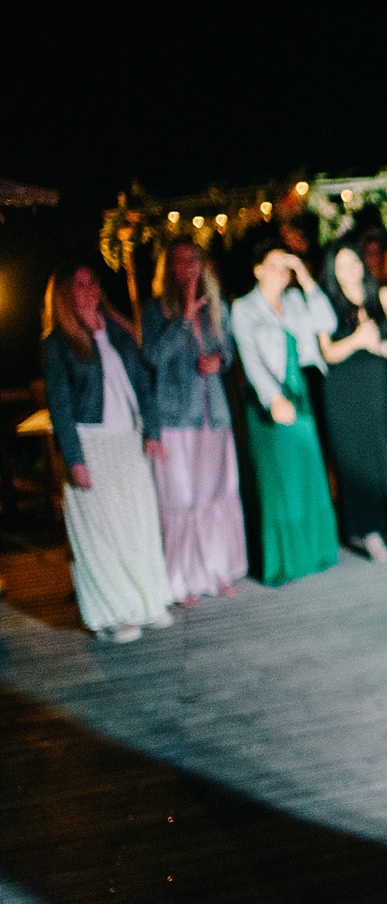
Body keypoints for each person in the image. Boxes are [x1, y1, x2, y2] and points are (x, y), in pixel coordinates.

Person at [42, 262, 174, 643]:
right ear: (64, 294)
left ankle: (147, 602)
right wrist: (74, 459)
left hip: (127, 440)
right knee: (102, 534)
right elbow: (60, 405)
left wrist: (152, 431)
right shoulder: (57, 343)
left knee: (138, 524)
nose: (88, 290)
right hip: (91, 445)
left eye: (92, 282)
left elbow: (140, 384)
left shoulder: (116, 331)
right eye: (78, 284)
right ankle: (111, 615)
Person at [140, 237, 247, 605]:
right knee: (181, 499)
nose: (187, 267)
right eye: (179, 261)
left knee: (214, 495)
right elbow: (153, 356)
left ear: (202, 265)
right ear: (168, 267)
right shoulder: (156, 310)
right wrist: (183, 320)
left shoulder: (218, 307)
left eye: (193, 260)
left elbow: (229, 351)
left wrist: (220, 361)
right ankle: (183, 580)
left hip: (213, 414)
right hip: (175, 418)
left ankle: (217, 570)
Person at [230, 240, 341, 586]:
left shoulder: (294, 300)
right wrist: (272, 398)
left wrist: (306, 277)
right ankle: (286, 561)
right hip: (270, 402)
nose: (282, 272)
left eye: (286, 266)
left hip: (302, 393)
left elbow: (328, 321)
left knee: (308, 475)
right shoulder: (244, 308)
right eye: (274, 265)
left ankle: (317, 552)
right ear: (257, 269)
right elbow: (249, 358)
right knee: (281, 482)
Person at [318, 241, 387, 561]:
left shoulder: (383, 295)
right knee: (358, 460)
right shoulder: (325, 303)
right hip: (345, 392)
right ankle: (369, 531)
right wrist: (357, 340)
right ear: (332, 272)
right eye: (341, 265)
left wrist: (382, 346)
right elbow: (327, 352)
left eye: (353, 262)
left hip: (383, 386)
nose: (350, 270)